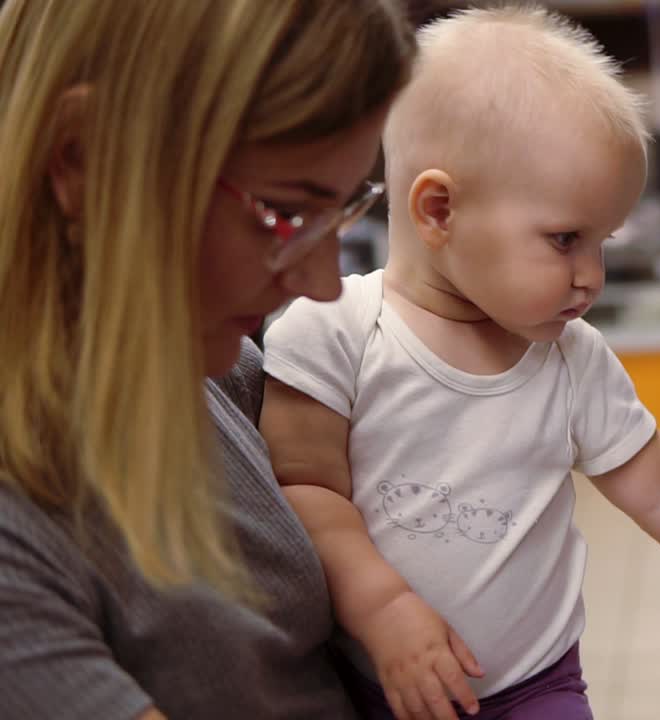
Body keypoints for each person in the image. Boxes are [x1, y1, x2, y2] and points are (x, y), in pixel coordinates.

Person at [260, 7, 660, 720]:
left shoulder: (572, 360)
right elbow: (305, 491)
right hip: (374, 684)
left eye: (602, 242)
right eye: (566, 238)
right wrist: (384, 608)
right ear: (439, 210)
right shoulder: (334, 331)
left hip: (535, 687)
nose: (592, 276)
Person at [0, 1, 417, 718]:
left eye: (343, 210)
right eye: (287, 213)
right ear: (82, 156)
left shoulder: (208, 361)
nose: (320, 284)